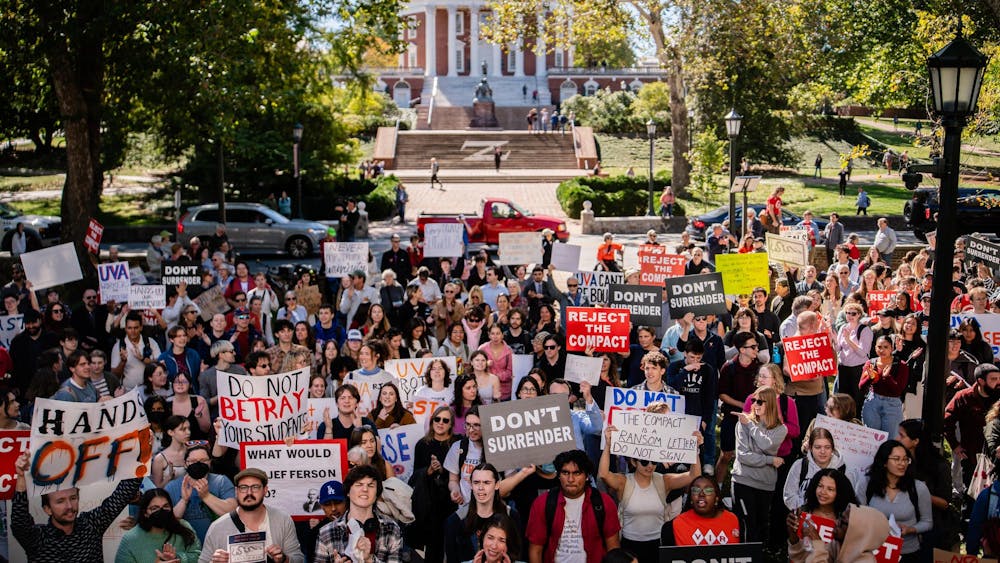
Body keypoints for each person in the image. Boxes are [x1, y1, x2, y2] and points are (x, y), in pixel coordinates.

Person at [10, 451, 142, 562]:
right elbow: (19, 522)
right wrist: (21, 477)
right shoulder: (38, 538)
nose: (69, 506)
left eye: (73, 498)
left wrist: (142, 454)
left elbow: (123, 494)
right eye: (60, 501)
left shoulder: (91, 525)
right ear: (47, 509)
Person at [599, 422, 702, 561]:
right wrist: (608, 445)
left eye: (654, 461)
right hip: (630, 547)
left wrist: (694, 449)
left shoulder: (663, 481)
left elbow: (693, 476)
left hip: (657, 546)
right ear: (634, 462)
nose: (650, 466)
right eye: (644, 461)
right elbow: (604, 474)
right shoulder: (624, 482)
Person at [525, 449, 621, 563]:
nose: (570, 479)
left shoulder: (604, 502)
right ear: (559, 475)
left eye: (577, 473)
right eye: (565, 473)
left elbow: (613, 550)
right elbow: (535, 550)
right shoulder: (543, 503)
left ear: (586, 476)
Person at [200, 467, 304, 563]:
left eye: (255, 487)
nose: (249, 493)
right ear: (236, 491)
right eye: (243, 487)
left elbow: (298, 559)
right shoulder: (217, 527)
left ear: (265, 490)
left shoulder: (283, 520)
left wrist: (283, 559)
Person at [854, 440, 932, 561]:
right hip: (873, 551)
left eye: (906, 459)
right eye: (896, 459)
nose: (902, 464)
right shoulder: (866, 484)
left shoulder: (918, 488)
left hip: (908, 553)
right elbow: (858, 518)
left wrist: (910, 529)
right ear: (884, 462)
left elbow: (927, 522)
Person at [731, 386, 789, 543]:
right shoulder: (742, 423)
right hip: (743, 480)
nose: (755, 404)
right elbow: (743, 456)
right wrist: (770, 460)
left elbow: (767, 445)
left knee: (761, 528)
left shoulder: (781, 429)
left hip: (765, 484)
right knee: (744, 527)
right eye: (753, 401)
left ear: (769, 404)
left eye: (759, 402)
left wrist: (751, 426)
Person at [313, 465, 404, 563]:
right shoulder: (326, 532)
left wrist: (369, 559)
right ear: (348, 492)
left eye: (371, 485)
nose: (365, 489)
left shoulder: (391, 528)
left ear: (377, 493)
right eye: (359, 484)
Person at [444, 463, 520, 563]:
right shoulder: (455, 521)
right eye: (476, 482)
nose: (481, 487)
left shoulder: (511, 516)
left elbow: (519, 555)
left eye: (486, 482)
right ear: (471, 485)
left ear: (497, 485)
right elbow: (451, 559)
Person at [944, 363, 1000, 491]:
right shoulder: (963, 396)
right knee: (971, 496)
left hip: (996, 457)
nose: (998, 382)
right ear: (980, 381)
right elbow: (947, 420)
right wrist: (954, 445)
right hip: (971, 456)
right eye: (993, 379)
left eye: (999, 378)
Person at [165, 445, 237, 543]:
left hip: (218, 544)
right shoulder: (172, 486)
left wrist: (206, 496)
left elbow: (232, 512)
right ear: (185, 464)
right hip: (186, 546)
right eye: (193, 461)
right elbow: (167, 522)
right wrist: (184, 500)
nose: (198, 464)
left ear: (210, 462)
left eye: (203, 460)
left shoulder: (221, 481)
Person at [115, 488, 202, 563]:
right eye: (154, 508)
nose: (161, 511)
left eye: (166, 506)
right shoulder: (130, 539)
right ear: (145, 513)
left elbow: (199, 557)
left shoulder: (184, 526)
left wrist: (177, 558)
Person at [787, 502, 889, 563]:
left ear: (857, 533)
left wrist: (816, 541)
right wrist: (793, 535)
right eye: (840, 517)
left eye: (842, 522)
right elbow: (805, 559)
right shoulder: (837, 547)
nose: (836, 523)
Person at [661, 475, 742, 546]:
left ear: (716, 498)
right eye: (696, 490)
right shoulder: (673, 526)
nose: (701, 494)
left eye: (708, 490)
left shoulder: (735, 521)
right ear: (691, 499)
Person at [782, 428, 847, 511]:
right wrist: (807, 508)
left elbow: (845, 501)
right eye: (817, 447)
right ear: (810, 448)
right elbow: (789, 496)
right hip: (802, 517)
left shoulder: (841, 469)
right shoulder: (800, 465)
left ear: (833, 449)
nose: (822, 451)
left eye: (827, 447)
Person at [860, 336, 909, 434]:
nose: (882, 350)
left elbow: (898, 390)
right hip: (872, 402)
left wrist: (887, 377)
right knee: (871, 438)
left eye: (886, 347)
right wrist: (870, 378)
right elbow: (861, 387)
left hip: (892, 405)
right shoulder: (870, 363)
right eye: (879, 347)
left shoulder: (901, 365)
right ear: (875, 348)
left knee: (890, 440)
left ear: (892, 348)